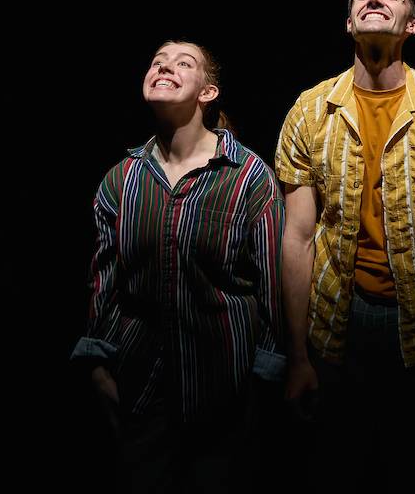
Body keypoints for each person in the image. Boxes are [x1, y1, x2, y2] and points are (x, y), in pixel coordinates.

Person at [276, 0, 415, 484]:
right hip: (336, 326)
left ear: (412, 25)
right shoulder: (310, 110)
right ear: (349, 21)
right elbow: (298, 237)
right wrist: (297, 356)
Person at [72, 40, 284, 493]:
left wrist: (266, 380)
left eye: (182, 63)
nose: (165, 67)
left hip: (224, 393)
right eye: (157, 62)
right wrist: (96, 364)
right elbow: (103, 282)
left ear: (207, 92)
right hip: (140, 391)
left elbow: (271, 283)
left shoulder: (249, 176)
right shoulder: (121, 179)